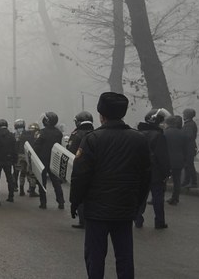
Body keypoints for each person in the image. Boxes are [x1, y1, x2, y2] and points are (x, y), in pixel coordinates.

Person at [70, 92, 151, 279]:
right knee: (124, 255)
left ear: (101, 114)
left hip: (96, 210)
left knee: (95, 256)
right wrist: (137, 204)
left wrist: (75, 202)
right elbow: (146, 175)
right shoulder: (139, 139)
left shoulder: (92, 139)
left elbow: (80, 176)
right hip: (125, 207)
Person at [135, 108, 171, 229]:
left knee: (141, 198)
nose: (163, 124)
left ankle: (138, 220)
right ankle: (159, 222)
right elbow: (163, 157)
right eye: (161, 121)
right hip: (156, 173)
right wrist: (167, 172)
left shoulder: (138, 134)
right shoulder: (159, 136)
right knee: (157, 198)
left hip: (141, 172)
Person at [67, 111, 94, 229]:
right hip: (93, 169)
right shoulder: (95, 133)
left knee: (80, 193)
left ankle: (82, 220)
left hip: (79, 168)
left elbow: (71, 151)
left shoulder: (76, 134)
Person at [34, 112, 65, 209]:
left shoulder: (42, 132)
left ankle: (43, 203)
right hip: (54, 160)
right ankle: (61, 202)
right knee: (56, 182)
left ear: (46, 121)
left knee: (42, 182)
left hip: (42, 160)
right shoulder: (58, 133)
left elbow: (37, 146)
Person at [164, 116, 187, 205]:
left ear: (168, 123)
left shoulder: (165, 133)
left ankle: (158, 197)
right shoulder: (182, 133)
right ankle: (175, 198)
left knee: (163, 179)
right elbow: (185, 149)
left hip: (167, 160)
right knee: (177, 180)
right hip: (178, 160)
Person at [0, 119, 17, 202]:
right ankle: (11, 196)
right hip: (8, 159)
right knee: (9, 178)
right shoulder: (11, 135)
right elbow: (14, 149)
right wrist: (14, 160)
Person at [181, 108, 198, 188]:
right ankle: (186, 181)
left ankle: (193, 182)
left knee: (189, 165)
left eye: (184, 114)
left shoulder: (189, 125)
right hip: (188, 148)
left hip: (189, 148)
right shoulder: (189, 123)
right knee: (187, 165)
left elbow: (189, 136)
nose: (183, 115)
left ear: (187, 115)